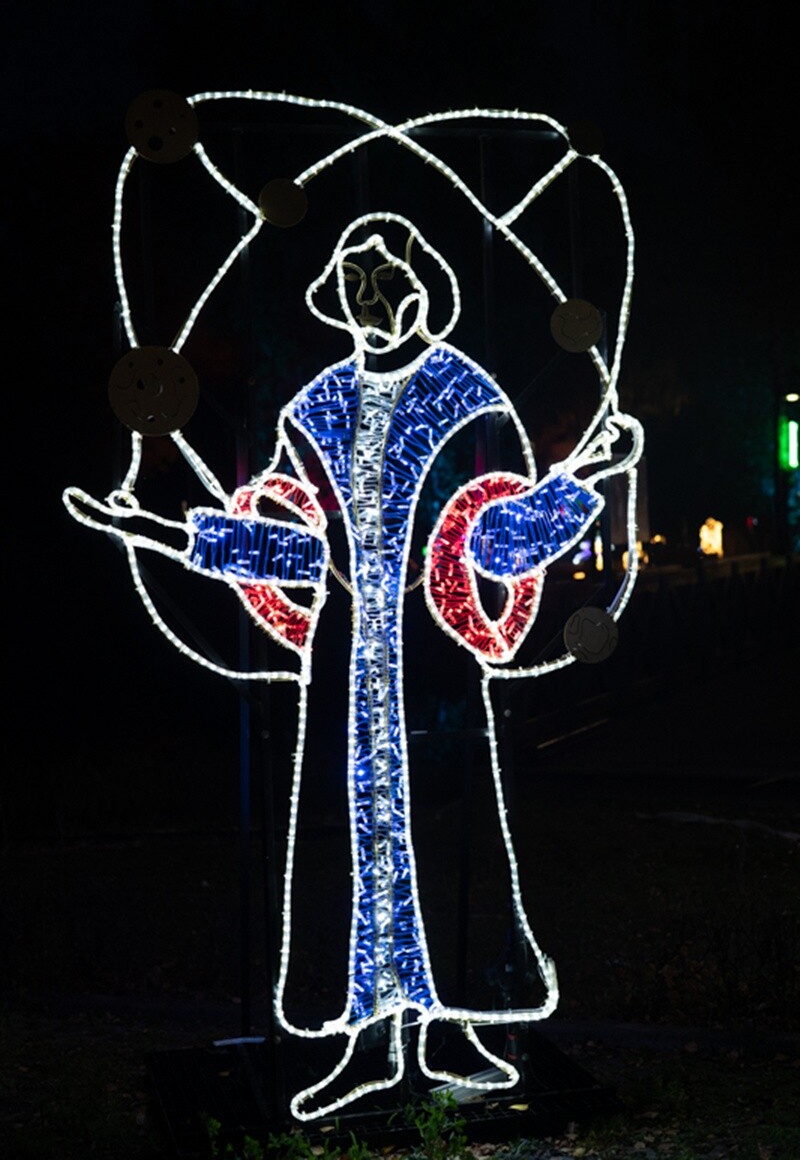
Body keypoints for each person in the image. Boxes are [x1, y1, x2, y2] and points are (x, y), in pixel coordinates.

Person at [65, 214, 631, 1120]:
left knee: (444, 836)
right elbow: (292, 549)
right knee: (351, 848)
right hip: (344, 660)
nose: (373, 298)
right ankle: (366, 1043)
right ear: (337, 299)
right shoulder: (317, 410)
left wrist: (579, 482)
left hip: (432, 657)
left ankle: (452, 1035)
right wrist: (162, 532)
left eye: (386, 279)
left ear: (421, 287)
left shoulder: (464, 396)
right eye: (355, 282)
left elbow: (495, 538)